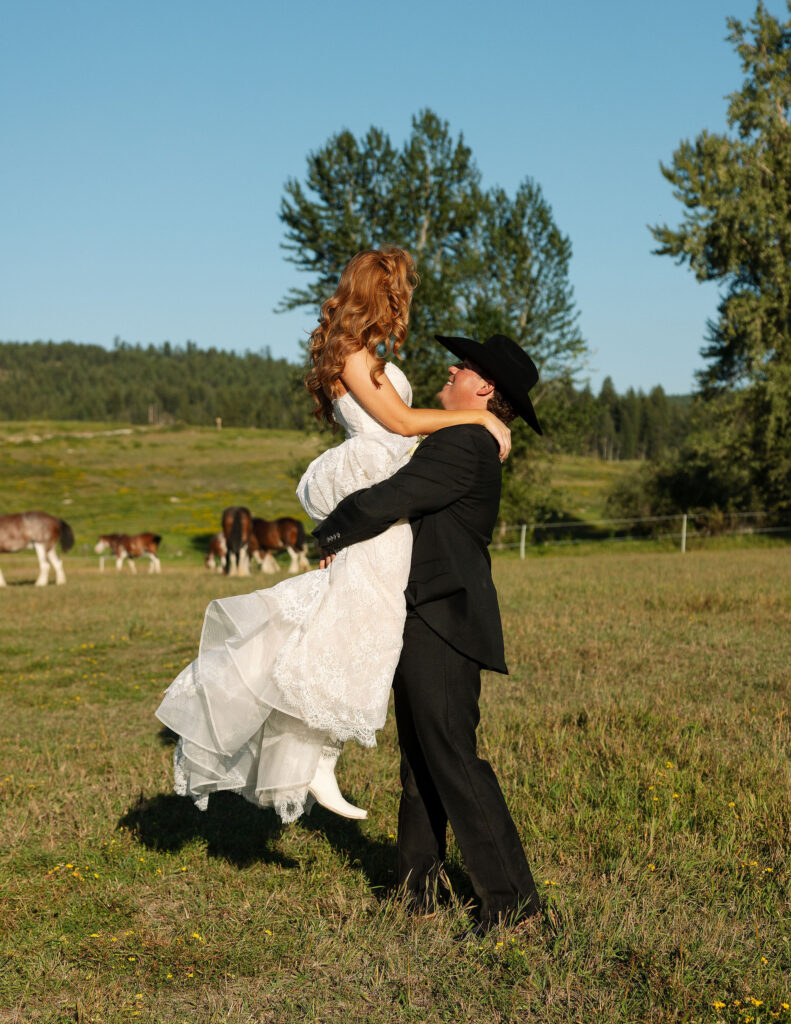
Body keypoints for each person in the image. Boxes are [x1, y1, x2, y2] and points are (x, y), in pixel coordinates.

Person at [155, 247, 511, 824]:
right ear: (382, 293)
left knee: (360, 614)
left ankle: (314, 750)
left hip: (385, 474)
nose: (405, 303)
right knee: (363, 614)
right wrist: (480, 417)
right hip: (373, 475)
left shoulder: (362, 353)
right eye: (400, 292)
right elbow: (400, 423)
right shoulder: (349, 352)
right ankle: (313, 750)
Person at [313, 332, 544, 930]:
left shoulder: (465, 438)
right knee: (421, 758)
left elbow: (397, 496)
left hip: (445, 616)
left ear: (484, 388)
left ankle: (513, 905)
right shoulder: (465, 435)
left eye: (463, 367)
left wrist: (328, 534)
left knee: (451, 758)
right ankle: (417, 892)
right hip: (425, 612)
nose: (451, 368)